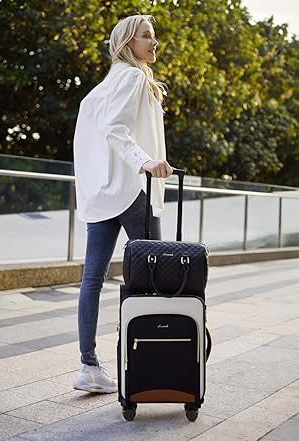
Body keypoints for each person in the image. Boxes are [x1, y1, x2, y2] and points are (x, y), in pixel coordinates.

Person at [72, 15, 174, 393]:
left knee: (92, 280)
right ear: (128, 42)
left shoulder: (98, 90)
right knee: (155, 276)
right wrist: (145, 162)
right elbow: (116, 129)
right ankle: (154, 361)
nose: (154, 42)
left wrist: (93, 188)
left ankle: (89, 365)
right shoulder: (133, 77)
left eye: (153, 36)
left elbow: (88, 145)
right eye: (146, 36)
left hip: (100, 194)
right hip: (131, 190)